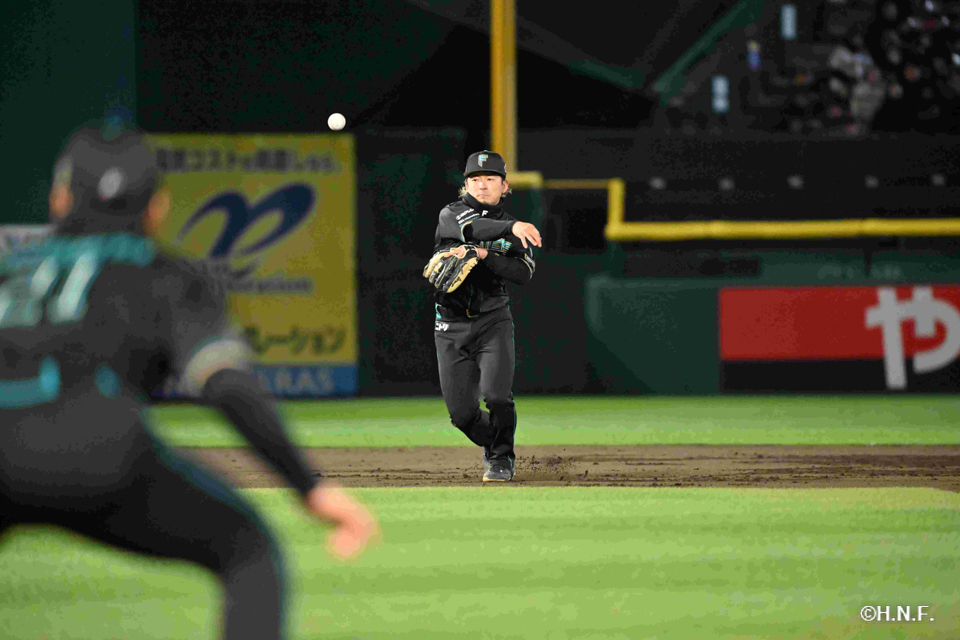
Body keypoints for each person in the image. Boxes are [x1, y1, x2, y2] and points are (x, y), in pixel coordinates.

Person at [0, 121, 378, 640]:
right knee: (247, 549)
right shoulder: (166, 274)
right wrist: (309, 487)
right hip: (97, 452)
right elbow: (224, 384)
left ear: (60, 198)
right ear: (157, 207)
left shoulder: (9, 270)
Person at [428, 150, 541, 482]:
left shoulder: (512, 233)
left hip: (493, 320)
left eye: (490, 179)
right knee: (461, 415)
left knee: (497, 397)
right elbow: (472, 228)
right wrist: (510, 227)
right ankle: (498, 443)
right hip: (449, 325)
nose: (481, 185)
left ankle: (501, 460)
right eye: (474, 179)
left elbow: (523, 272)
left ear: (504, 186)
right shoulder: (451, 214)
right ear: (465, 185)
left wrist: (484, 256)